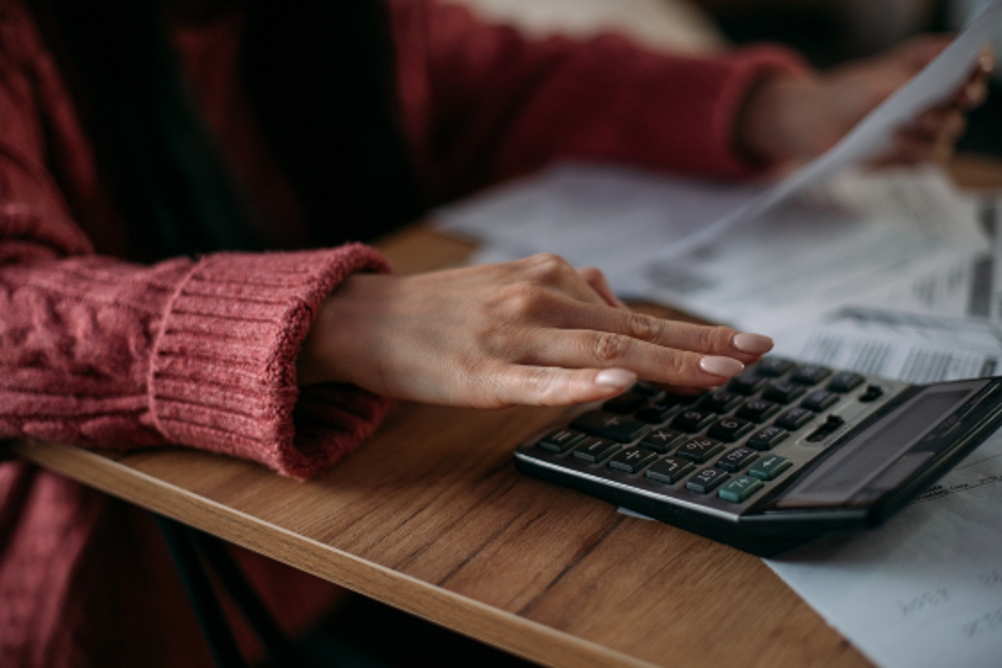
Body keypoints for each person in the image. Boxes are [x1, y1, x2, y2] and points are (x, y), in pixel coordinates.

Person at [0, 0, 989, 665]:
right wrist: (338, 320)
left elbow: (498, 81)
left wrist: (787, 108)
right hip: (158, 592)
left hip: (422, 503)